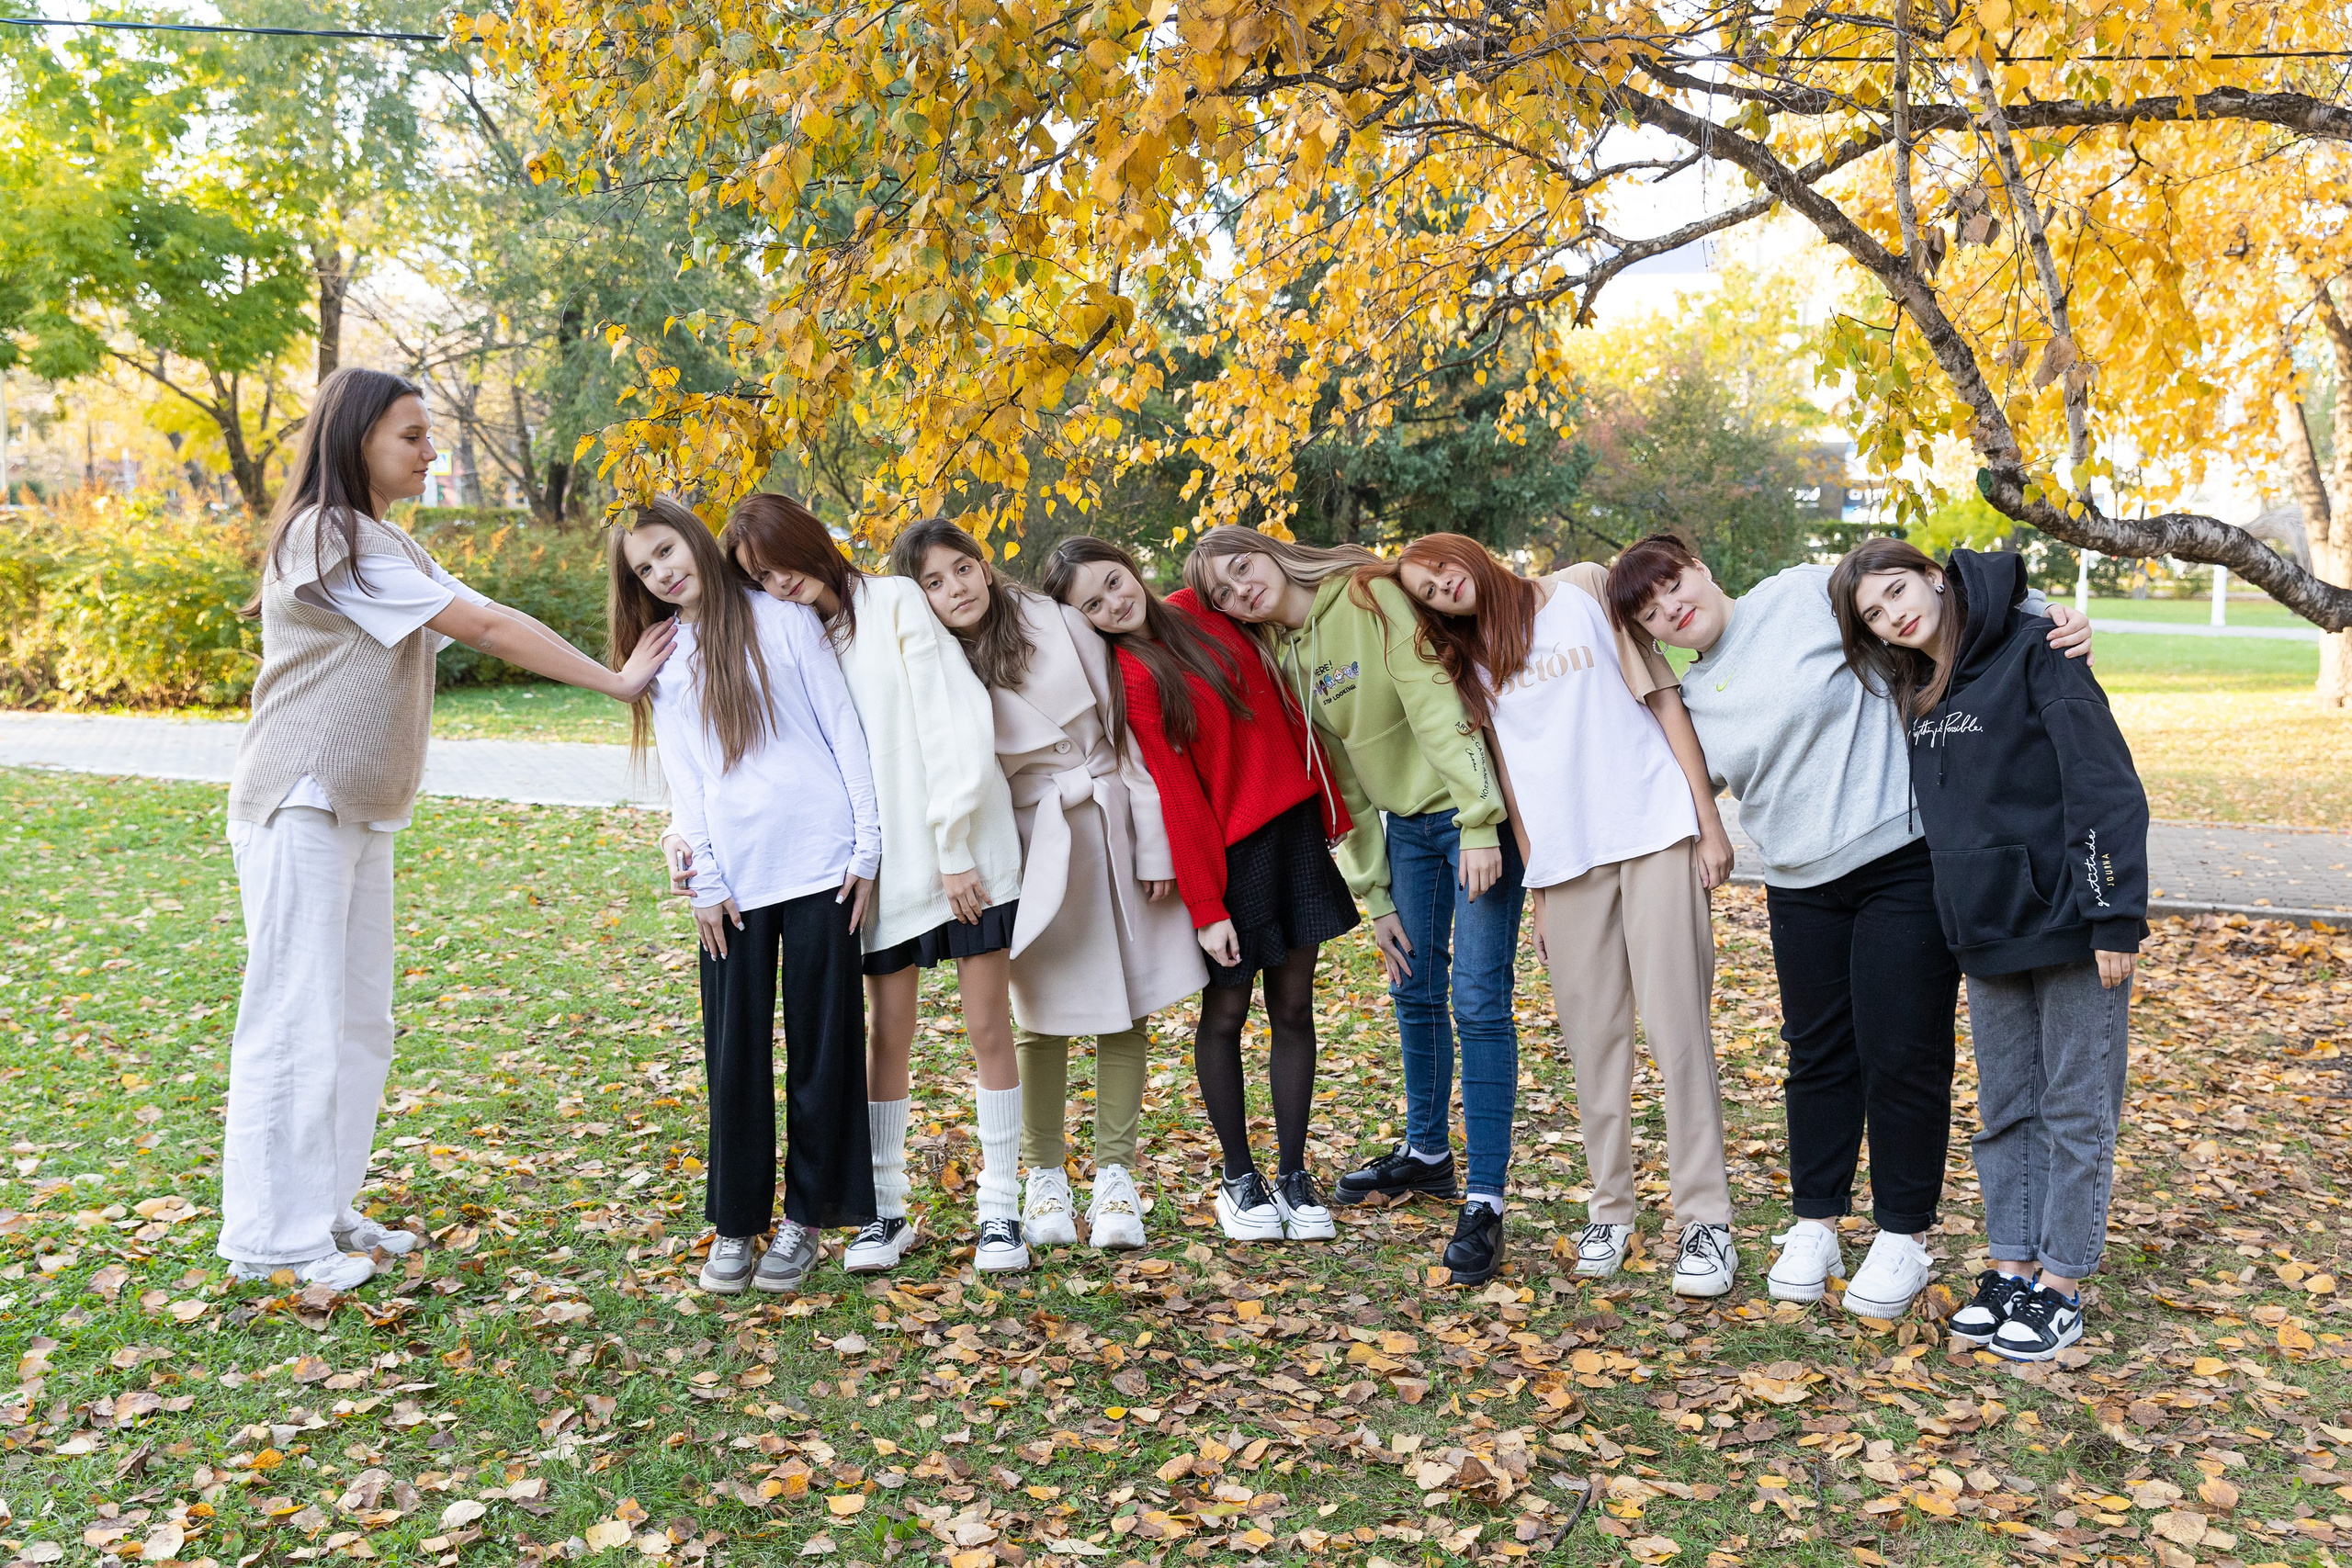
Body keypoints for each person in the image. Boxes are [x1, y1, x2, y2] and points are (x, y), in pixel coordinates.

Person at [223, 367, 674, 1290]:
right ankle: (271, 1246)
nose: (431, 453)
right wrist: (617, 680)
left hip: (355, 806)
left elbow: (485, 614)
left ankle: (326, 1212)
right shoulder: (332, 535)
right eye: (412, 436)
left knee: (358, 1023)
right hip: (301, 797)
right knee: (296, 1018)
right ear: (357, 443)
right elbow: (489, 625)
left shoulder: (387, 543)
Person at [1608, 533, 2094, 1320]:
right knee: (1817, 1054)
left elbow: (1927, 601)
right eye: (1650, 612)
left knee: (1902, 1049)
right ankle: (1816, 1222)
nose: (1671, 609)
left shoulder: (1801, 593)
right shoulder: (1689, 700)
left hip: (1899, 855)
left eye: (1673, 585)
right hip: (1798, 883)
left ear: (1701, 566)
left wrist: (2048, 616)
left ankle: (1903, 1232)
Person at [1377, 534, 1741, 1297]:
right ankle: (1611, 1208)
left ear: (1466, 555)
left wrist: (1708, 826)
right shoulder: (1470, 660)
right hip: (1567, 864)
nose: (1444, 589)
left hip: (1652, 832)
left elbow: (1663, 699)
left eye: (1442, 570)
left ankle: (1705, 1217)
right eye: (1427, 592)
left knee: (1678, 1031)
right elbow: (1513, 776)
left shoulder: (1578, 588)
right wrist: (1539, 886)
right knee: (1594, 1044)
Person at [1830, 539, 2145, 1359]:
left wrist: (2114, 913)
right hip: (1984, 928)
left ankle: (2063, 1284)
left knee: (2077, 1106)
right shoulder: (1915, 687)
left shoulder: (2040, 646)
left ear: (1934, 576)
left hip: (2073, 921)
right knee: (2006, 1107)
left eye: (1897, 590)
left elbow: (2103, 778)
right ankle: (2011, 1266)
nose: (1893, 613)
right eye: (1873, 613)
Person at [703, 494, 1032, 1271]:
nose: (778, 582)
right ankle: (885, 1211)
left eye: (780, 563)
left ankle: (1001, 1210)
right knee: (887, 1033)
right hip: (879, 871)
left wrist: (954, 845)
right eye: (758, 576)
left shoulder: (894, 603)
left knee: (988, 1024)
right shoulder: (791, 635)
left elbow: (953, 718)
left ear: (810, 543)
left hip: (959, 852)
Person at [1186, 528, 1525, 1282]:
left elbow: (1436, 701)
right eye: (1222, 592)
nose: (1241, 589)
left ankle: (1486, 1198)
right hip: (1407, 829)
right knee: (1413, 986)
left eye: (1242, 566)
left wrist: (1478, 819)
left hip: (1471, 821)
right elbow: (1342, 775)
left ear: (1271, 551)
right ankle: (1428, 1153)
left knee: (1476, 1000)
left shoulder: (1372, 597)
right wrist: (1374, 894)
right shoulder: (1286, 655)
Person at [891, 520, 1205, 1252]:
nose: (954, 589)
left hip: (1106, 819)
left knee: (1126, 1005)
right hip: (1026, 839)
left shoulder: (1059, 620)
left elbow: (1126, 735)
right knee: (1040, 1012)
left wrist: (1154, 842)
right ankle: (1043, 1176)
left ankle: (1117, 1177)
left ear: (982, 564)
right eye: (933, 582)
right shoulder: (932, 661)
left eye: (961, 569)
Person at [1043, 537, 1358, 1243]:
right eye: (1093, 603)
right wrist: (1207, 906)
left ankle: (1293, 1173)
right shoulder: (1133, 675)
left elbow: (1283, 714)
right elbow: (1178, 794)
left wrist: (1330, 804)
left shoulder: (1205, 610)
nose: (1114, 602)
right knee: (1226, 1010)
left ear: (1130, 566)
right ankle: (1238, 1175)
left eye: (1114, 582)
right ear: (1082, 620)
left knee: (1295, 1005)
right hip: (1231, 853)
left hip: (1295, 830)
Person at [614, 498, 881, 1293]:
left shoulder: (784, 619)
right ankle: (735, 1224)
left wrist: (867, 846)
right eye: (644, 568)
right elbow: (687, 779)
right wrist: (704, 876)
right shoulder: (663, 655)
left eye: (666, 550)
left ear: (695, 537)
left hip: (822, 864)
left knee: (822, 1049)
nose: (663, 572)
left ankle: (804, 1221)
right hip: (731, 879)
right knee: (734, 1057)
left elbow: (843, 729)